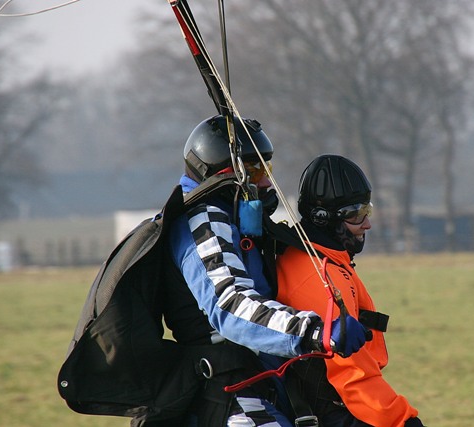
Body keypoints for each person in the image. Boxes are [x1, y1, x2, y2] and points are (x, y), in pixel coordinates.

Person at [165, 117, 368, 426]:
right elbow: (230, 304)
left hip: (264, 384)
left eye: (267, 169)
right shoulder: (203, 222)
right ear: (224, 174)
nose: (266, 183)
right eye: (256, 171)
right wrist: (314, 331)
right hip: (230, 398)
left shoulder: (233, 220)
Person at [276, 154, 425, 427]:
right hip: (337, 409)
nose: (367, 223)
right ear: (325, 219)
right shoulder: (319, 276)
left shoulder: (323, 257)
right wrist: (402, 421)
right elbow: (353, 377)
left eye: (368, 211)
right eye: (356, 215)